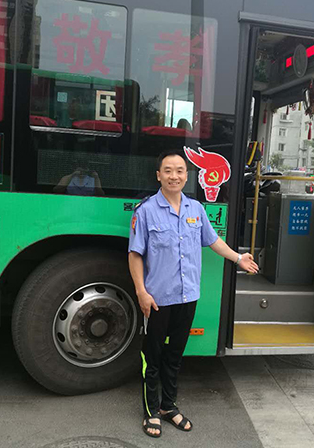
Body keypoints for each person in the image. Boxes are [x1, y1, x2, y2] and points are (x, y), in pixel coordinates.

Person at [128, 149, 258, 438]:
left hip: (188, 297)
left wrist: (238, 258)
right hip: (157, 299)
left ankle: (168, 406)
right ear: (158, 176)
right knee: (152, 356)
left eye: (179, 171)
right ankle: (151, 411)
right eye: (168, 171)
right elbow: (135, 254)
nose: (174, 176)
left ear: (187, 176)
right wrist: (141, 292)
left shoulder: (196, 209)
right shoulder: (145, 211)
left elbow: (213, 241)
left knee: (175, 355)